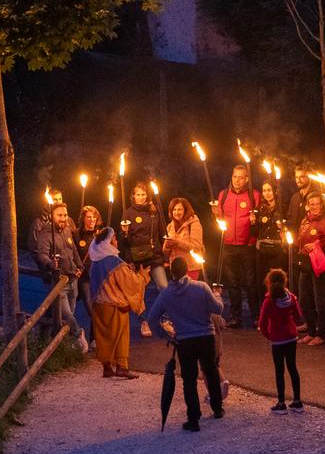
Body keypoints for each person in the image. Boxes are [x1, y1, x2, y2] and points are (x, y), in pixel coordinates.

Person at [147, 257, 225, 432]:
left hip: (184, 340)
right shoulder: (201, 287)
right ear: (187, 269)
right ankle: (217, 408)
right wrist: (218, 294)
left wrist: (166, 335)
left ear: (171, 273)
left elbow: (152, 318)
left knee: (189, 379)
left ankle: (193, 418)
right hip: (205, 336)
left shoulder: (166, 294)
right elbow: (218, 309)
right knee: (211, 372)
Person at [88, 227, 150, 379]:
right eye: (114, 239)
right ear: (109, 241)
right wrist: (142, 276)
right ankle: (122, 367)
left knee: (104, 337)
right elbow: (130, 283)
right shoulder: (114, 262)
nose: (116, 242)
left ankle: (107, 367)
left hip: (99, 305)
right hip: (115, 305)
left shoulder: (95, 262)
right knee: (120, 335)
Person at [34, 202, 88, 353]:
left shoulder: (66, 231)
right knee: (67, 315)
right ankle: (79, 335)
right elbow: (41, 254)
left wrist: (80, 267)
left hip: (73, 280)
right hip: (59, 282)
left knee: (64, 317)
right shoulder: (46, 234)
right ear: (52, 216)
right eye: (59, 215)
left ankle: (53, 344)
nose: (63, 218)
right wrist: (49, 263)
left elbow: (74, 251)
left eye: (65, 215)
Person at [212, 164, 261, 328]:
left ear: (246, 179)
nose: (237, 180)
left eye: (241, 177)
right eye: (235, 176)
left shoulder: (254, 195)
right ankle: (236, 316)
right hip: (227, 245)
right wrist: (217, 215)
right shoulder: (223, 195)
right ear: (231, 177)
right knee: (232, 283)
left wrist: (252, 241)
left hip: (246, 246)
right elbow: (219, 219)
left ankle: (256, 316)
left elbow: (259, 221)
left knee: (250, 282)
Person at [119, 181, 167, 338]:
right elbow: (123, 241)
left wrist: (164, 256)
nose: (140, 197)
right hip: (137, 259)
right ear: (133, 196)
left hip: (154, 257)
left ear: (147, 195)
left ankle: (164, 318)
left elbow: (161, 234)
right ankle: (144, 321)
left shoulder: (154, 211)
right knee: (140, 292)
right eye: (137, 194)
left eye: (143, 194)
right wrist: (128, 259)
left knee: (164, 287)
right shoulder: (128, 213)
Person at [258, 268, 305, 414]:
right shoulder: (291, 298)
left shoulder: (269, 301)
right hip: (291, 337)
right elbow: (298, 316)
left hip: (277, 339)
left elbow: (262, 323)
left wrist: (270, 336)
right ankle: (297, 401)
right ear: (284, 281)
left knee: (279, 370)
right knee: (292, 367)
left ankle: (281, 403)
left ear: (269, 282)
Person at [296, 192, 325, 346]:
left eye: (318, 204)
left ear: (322, 205)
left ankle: (320, 334)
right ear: (307, 206)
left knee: (319, 300)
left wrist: (316, 245)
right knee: (304, 298)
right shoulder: (305, 220)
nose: (315, 207)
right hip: (305, 264)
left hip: (319, 264)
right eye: (312, 204)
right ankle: (310, 331)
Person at [255, 179, 287, 306]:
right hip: (262, 250)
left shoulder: (282, 207)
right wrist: (253, 222)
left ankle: (279, 308)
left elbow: (288, 226)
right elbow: (255, 232)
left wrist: (283, 227)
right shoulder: (260, 209)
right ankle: (264, 310)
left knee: (277, 281)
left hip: (277, 250)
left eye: (269, 190)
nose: (266, 193)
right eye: (264, 191)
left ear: (275, 191)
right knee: (261, 281)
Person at [73, 205, 102, 335]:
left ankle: (94, 339)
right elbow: (71, 254)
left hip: (97, 278)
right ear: (83, 219)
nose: (91, 220)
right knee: (91, 308)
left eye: (94, 218)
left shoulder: (99, 235)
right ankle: (78, 335)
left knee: (97, 309)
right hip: (83, 278)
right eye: (88, 217)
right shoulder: (75, 234)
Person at [164, 197, 205, 279]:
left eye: (180, 209)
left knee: (189, 291)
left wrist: (177, 243)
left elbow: (196, 247)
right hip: (176, 269)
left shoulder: (194, 223)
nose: (176, 212)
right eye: (174, 210)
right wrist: (167, 247)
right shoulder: (170, 226)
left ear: (185, 210)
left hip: (190, 267)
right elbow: (166, 252)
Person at [287, 163, 317, 232]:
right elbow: (290, 218)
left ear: (309, 177)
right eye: (296, 177)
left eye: (302, 177)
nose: (298, 180)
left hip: (310, 237)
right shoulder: (295, 197)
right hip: (296, 238)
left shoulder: (315, 196)